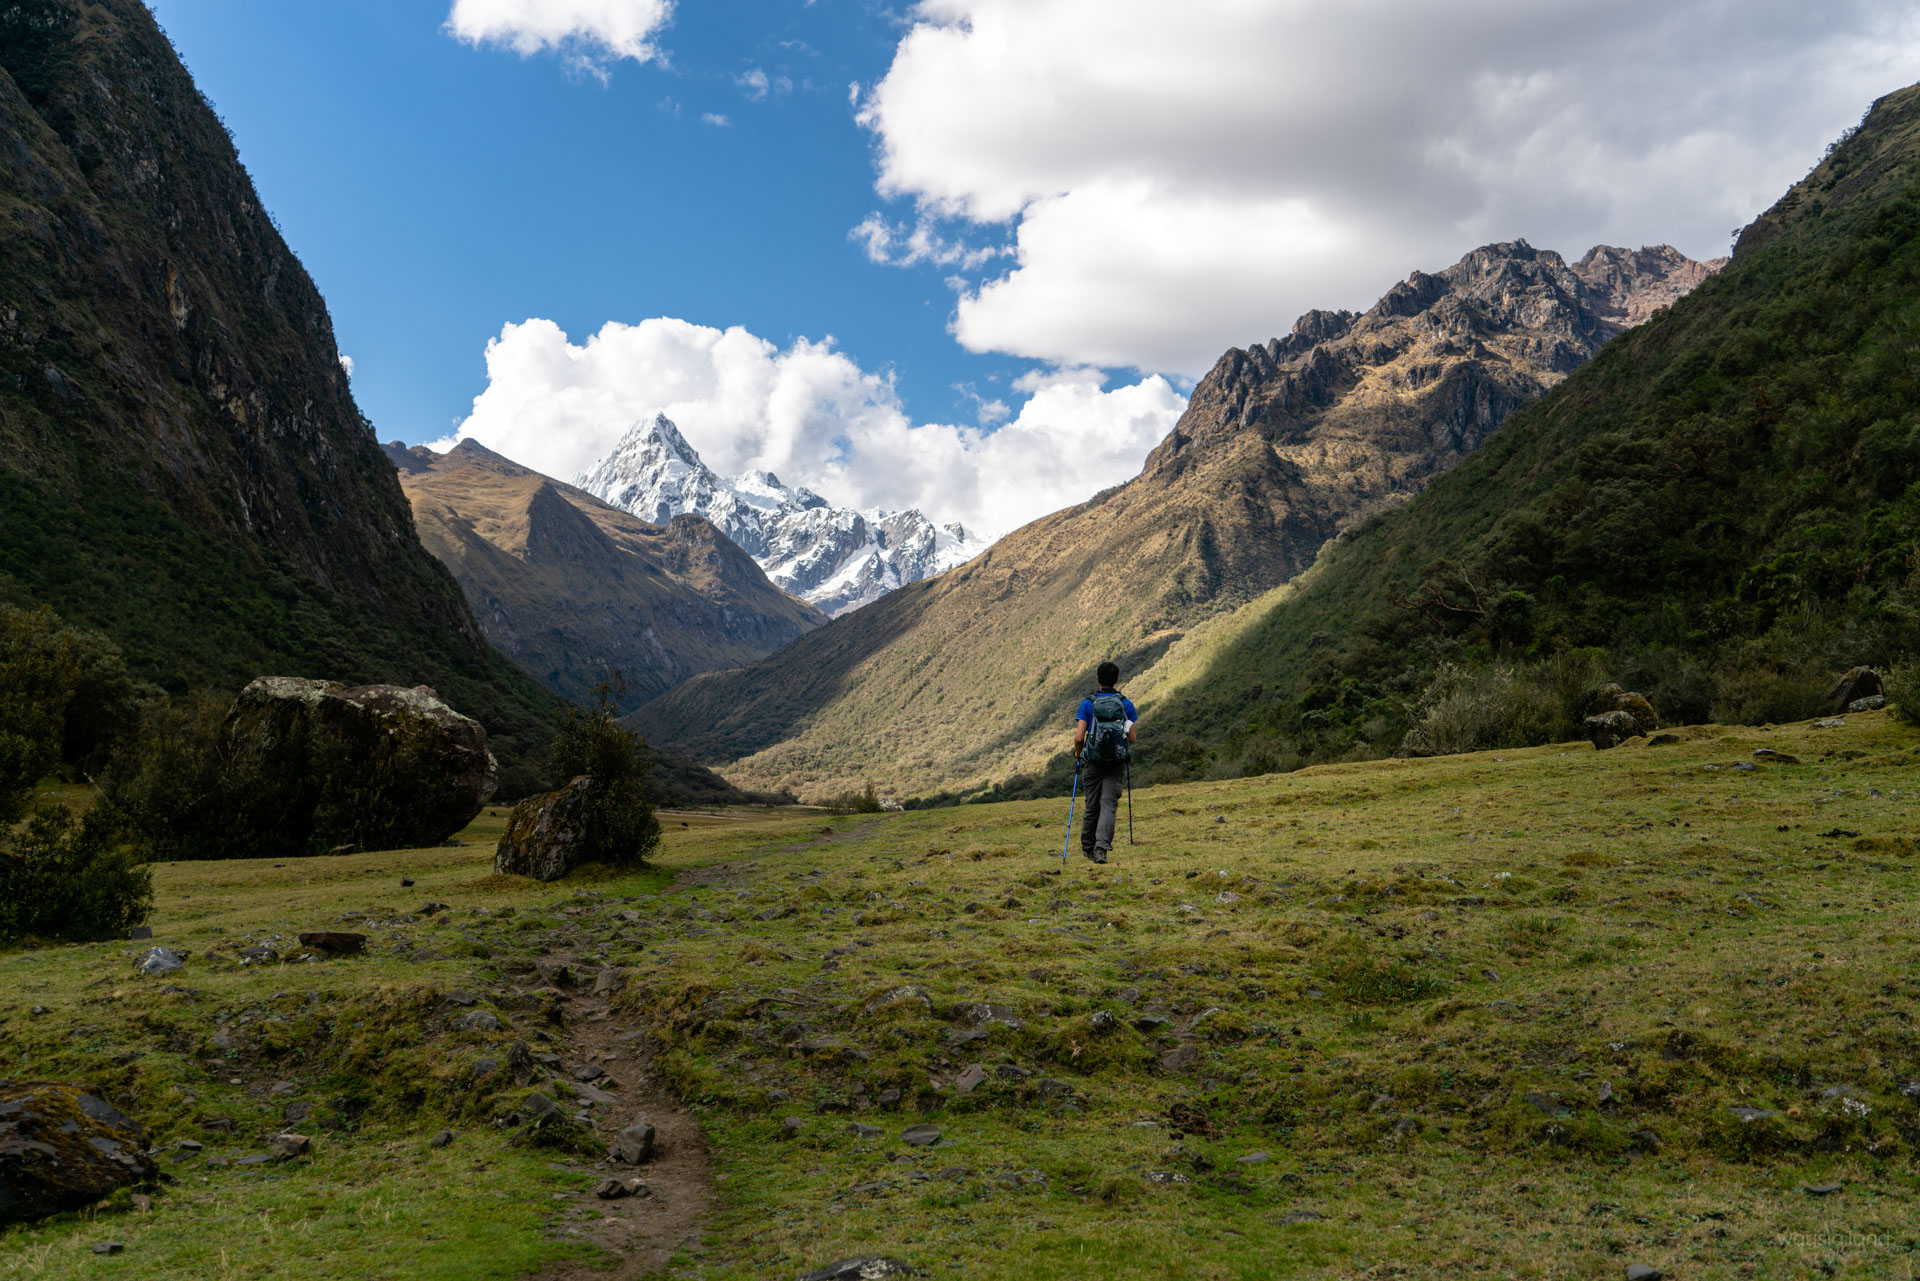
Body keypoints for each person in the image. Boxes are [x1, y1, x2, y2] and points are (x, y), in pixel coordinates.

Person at [1073, 661, 1136, 864]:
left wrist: (1078, 753)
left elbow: (1078, 737)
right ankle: (1102, 849)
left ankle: (1087, 847)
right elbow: (1132, 738)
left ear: (1098, 679)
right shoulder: (1125, 704)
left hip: (1092, 761)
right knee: (1109, 805)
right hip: (1116, 762)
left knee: (1092, 805)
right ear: (1116, 680)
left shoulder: (1088, 704)